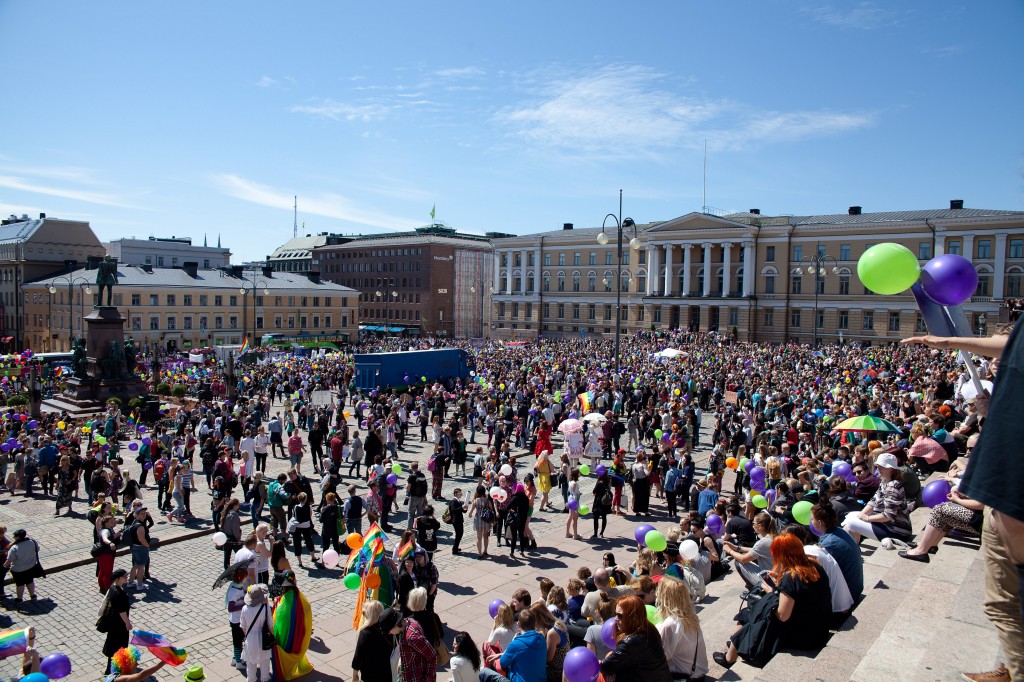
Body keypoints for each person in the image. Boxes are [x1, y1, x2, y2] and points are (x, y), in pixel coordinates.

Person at [713, 534, 832, 669]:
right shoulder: (814, 565)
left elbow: (782, 615)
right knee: (755, 611)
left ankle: (730, 657)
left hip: (803, 637)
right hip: (818, 629)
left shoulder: (791, 578)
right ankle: (735, 647)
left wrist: (771, 592)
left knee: (756, 613)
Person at [841, 452, 912, 542]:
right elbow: (874, 501)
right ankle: (854, 551)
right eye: (878, 466)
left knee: (851, 524)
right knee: (851, 517)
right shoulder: (884, 481)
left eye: (882, 466)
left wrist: (867, 518)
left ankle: (852, 552)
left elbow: (888, 516)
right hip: (887, 525)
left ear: (890, 468)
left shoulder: (893, 487)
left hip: (897, 531)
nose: (878, 469)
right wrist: (861, 515)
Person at [599, 594, 672, 682]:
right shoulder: (649, 628)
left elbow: (605, 667)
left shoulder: (631, 642)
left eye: (620, 616)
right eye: (615, 614)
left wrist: (602, 664)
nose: (615, 619)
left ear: (632, 617)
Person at [655, 576, 709, 681]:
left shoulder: (670, 624)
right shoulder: (690, 616)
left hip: (683, 677)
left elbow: (660, 657)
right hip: (698, 674)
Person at [810, 499, 864, 600]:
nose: (811, 522)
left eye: (812, 519)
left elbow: (820, 574)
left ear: (820, 523)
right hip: (856, 588)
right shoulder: (839, 531)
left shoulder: (829, 543)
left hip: (849, 595)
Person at [479, 608, 547, 682]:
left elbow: (503, 664)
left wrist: (512, 642)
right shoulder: (541, 639)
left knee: (484, 672)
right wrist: (502, 654)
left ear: (519, 624)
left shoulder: (516, 643)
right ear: (534, 623)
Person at [722, 511, 776, 590]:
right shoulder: (773, 537)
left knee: (738, 562)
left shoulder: (763, 542)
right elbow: (756, 550)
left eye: (754, 523)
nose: (752, 525)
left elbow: (743, 559)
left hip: (770, 579)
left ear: (760, 526)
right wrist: (736, 547)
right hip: (776, 574)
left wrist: (730, 551)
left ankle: (754, 589)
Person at [352, 604, 402, 682]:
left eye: (364, 613)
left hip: (370, 674)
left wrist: (354, 674)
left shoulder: (365, 633)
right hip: (388, 672)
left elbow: (358, 656)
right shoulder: (389, 628)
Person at [100, 568, 133, 674]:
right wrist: (127, 623)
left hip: (114, 622)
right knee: (119, 646)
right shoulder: (119, 593)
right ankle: (114, 669)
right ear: (118, 579)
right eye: (124, 577)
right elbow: (121, 611)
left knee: (113, 646)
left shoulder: (113, 588)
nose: (126, 578)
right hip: (119, 624)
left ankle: (111, 668)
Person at [240, 583, 272, 682]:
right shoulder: (266, 607)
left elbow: (243, 627)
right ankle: (264, 679)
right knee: (265, 664)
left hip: (250, 639)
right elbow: (270, 626)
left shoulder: (245, 609)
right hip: (263, 639)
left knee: (250, 665)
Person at [399, 605, 438, 682]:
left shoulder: (412, 638)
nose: (390, 633)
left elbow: (432, 656)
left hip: (417, 678)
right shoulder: (409, 621)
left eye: (390, 631)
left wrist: (429, 679)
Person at [5, 529, 41, 602]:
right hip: (31, 566)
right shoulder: (32, 542)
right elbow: (37, 549)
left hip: (18, 570)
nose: (13, 537)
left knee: (20, 584)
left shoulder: (14, 548)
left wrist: (4, 565)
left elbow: (10, 559)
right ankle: (33, 595)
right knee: (30, 581)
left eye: (14, 536)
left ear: (18, 537)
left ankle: (19, 599)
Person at [470, 484, 495, 558]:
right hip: (486, 519)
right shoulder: (487, 500)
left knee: (479, 537)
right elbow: (491, 509)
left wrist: (470, 514)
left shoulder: (476, 501)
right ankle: (485, 550)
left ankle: (480, 553)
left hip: (478, 519)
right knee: (486, 536)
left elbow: (471, 512)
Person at [449, 487, 466, 554]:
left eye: (461, 493)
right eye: (460, 493)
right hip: (456, 520)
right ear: (455, 494)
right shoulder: (453, 501)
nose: (461, 495)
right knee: (459, 534)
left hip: (459, 520)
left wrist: (465, 508)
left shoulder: (458, 501)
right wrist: (462, 507)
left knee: (460, 534)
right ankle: (454, 549)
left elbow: (462, 511)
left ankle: (456, 547)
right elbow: (454, 510)